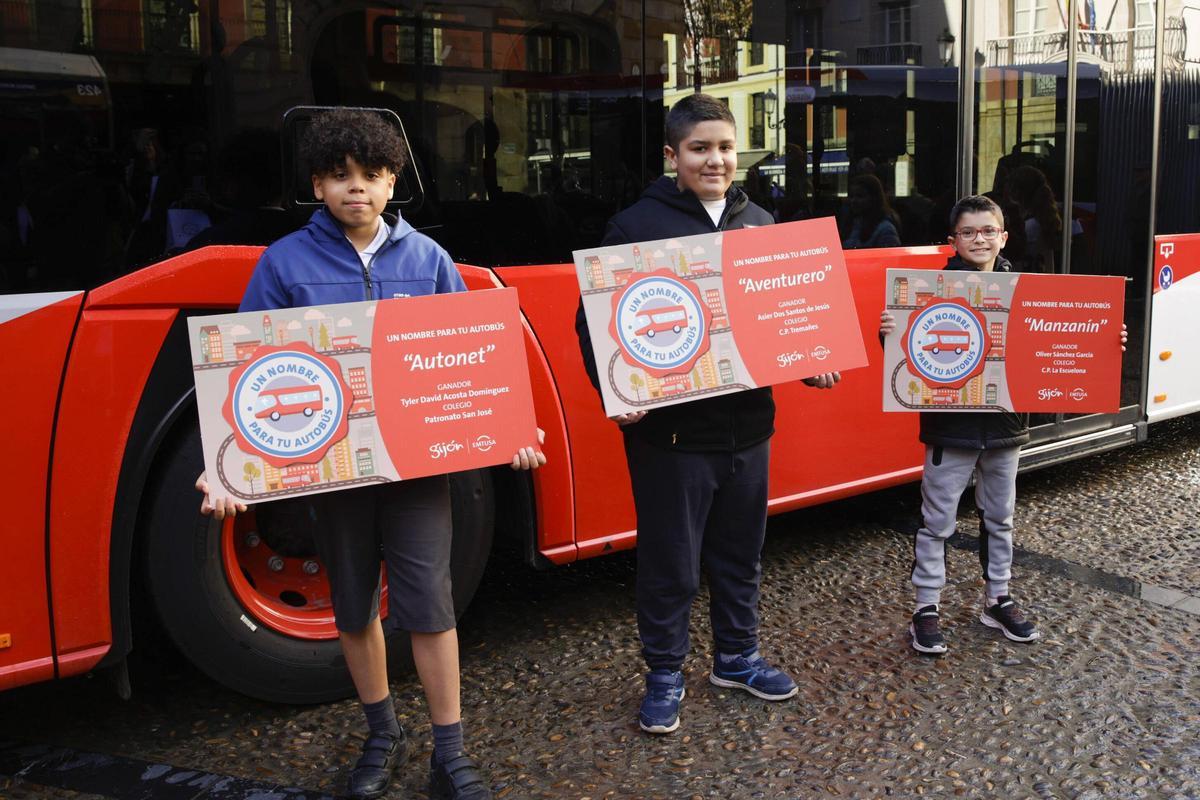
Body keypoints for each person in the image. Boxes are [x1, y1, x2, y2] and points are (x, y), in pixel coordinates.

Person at [195, 108, 546, 800]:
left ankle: (451, 752)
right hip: (334, 474)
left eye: (371, 174)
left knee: (432, 606)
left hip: (417, 472)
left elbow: (471, 356)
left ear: (393, 182)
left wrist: (513, 428)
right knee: (353, 606)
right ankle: (383, 732)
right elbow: (244, 369)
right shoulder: (283, 263)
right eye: (339, 174)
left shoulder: (429, 260)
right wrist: (222, 463)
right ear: (317, 185)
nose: (356, 187)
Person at [575, 93, 840, 735]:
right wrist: (617, 393)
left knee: (741, 555)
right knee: (671, 565)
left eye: (724, 147)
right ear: (673, 156)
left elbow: (784, 314)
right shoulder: (634, 228)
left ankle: (736, 658)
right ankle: (665, 673)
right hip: (672, 436)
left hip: (749, 429)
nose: (715, 160)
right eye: (699, 148)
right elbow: (592, 324)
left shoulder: (762, 222)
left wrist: (812, 358)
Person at [879, 195, 1126, 655]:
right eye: (968, 232)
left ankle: (998, 598)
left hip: (1005, 428)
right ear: (953, 240)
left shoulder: (1026, 291)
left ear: (1004, 237)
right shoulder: (928, 292)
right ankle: (926, 607)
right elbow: (909, 357)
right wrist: (890, 334)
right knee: (937, 522)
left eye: (988, 230)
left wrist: (1107, 339)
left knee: (1000, 518)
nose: (979, 239)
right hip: (949, 429)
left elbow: (1067, 337)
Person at [842, 173, 901, 249]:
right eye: (851, 196)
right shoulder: (853, 224)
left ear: (874, 198)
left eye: (860, 196)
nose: (853, 201)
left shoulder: (886, 230)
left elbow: (890, 256)